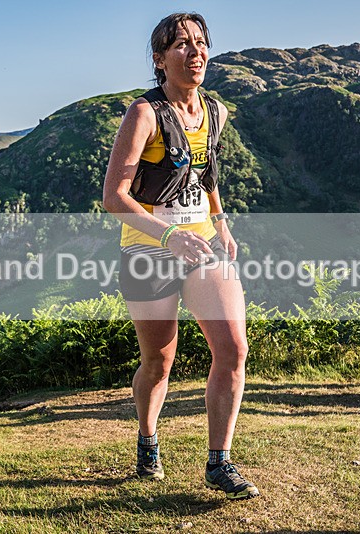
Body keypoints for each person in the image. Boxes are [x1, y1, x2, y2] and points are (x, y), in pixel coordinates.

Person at [102, 12, 259, 500]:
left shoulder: (216, 111)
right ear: (159, 58)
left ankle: (220, 462)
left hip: (204, 245)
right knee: (158, 361)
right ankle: (148, 440)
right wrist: (168, 237)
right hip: (148, 249)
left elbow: (206, 173)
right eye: (181, 46)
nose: (195, 54)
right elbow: (114, 196)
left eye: (200, 44)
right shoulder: (143, 114)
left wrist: (223, 224)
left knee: (233, 348)